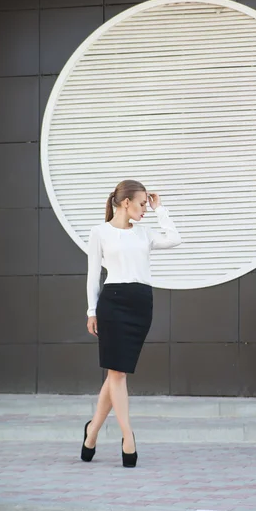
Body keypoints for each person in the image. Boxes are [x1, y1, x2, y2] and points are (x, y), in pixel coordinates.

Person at [81, 179, 182, 467]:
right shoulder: (99, 232)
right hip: (113, 302)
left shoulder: (144, 233)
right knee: (118, 374)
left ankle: (91, 433)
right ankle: (128, 438)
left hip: (140, 304)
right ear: (126, 202)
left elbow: (175, 238)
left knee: (117, 373)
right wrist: (92, 311)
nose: (145, 209)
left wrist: (160, 209)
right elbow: (92, 276)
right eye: (142, 204)